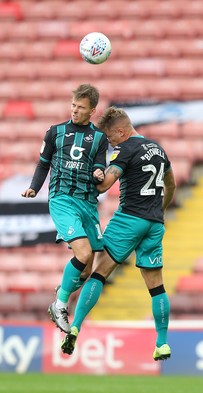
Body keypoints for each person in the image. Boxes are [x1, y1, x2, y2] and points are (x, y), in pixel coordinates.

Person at [61, 106, 176, 361]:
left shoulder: (125, 149)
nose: (111, 145)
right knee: (157, 287)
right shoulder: (158, 148)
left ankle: (75, 326)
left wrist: (95, 173)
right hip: (154, 223)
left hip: (128, 220)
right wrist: (161, 210)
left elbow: (104, 185)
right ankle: (162, 343)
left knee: (99, 273)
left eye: (111, 139)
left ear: (121, 132)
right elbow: (171, 184)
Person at [22, 84, 108, 334]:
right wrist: (34, 188)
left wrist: (98, 171)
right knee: (82, 254)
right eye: (73, 105)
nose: (75, 111)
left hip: (88, 203)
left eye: (81, 108)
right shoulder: (55, 132)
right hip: (62, 199)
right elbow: (43, 164)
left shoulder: (99, 138)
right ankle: (60, 305)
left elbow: (99, 165)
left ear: (92, 110)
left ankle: (63, 291)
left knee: (88, 263)